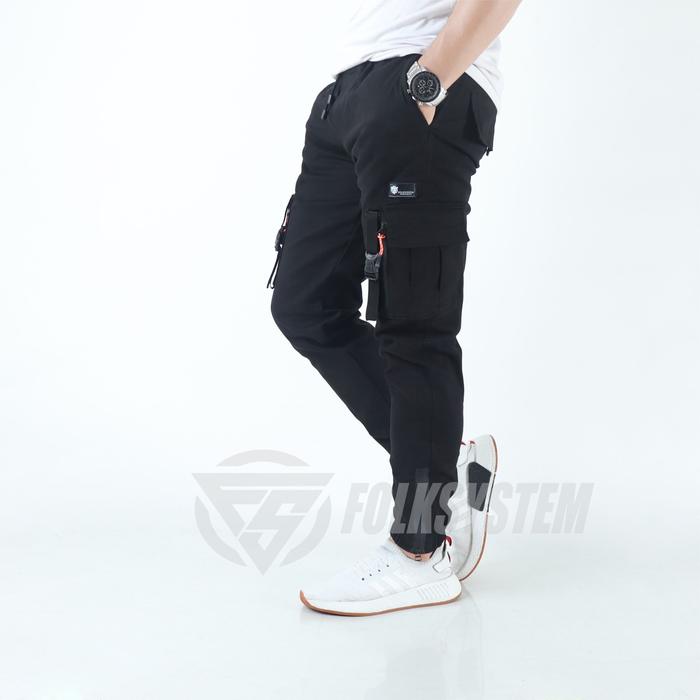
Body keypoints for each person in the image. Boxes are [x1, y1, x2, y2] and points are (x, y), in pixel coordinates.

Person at [269, 0, 522, 616]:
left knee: (413, 324)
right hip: (346, 98)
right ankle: (441, 462)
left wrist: (427, 83)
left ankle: (420, 550)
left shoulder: (423, 85)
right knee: (305, 305)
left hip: (422, 86)